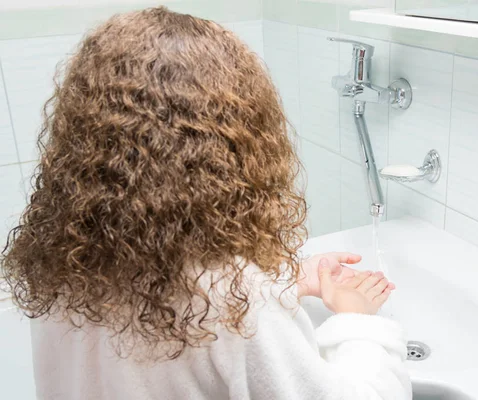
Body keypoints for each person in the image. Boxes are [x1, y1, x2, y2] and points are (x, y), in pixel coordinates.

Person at [0, 7, 411, 400]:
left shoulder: (65, 256)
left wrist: (284, 286)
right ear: (234, 138)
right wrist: (356, 320)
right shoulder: (234, 300)